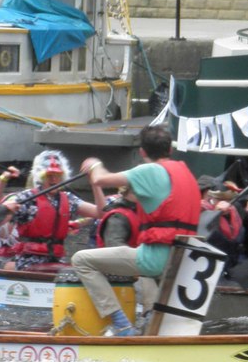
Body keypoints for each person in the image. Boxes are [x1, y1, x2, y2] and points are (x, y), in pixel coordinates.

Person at [70, 125, 201, 336]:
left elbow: (100, 180)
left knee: (80, 260)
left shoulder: (147, 171)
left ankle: (121, 325)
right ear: (170, 149)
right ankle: (151, 323)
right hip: (183, 258)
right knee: (144, 269)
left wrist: (95, 164)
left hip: (156, 259)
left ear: (142, 152)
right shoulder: (187, 175)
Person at [1, 151, 99, 272]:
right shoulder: (26, 198)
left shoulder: (69, 199)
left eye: (57, 175)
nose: (53, 179)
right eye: (49, 175)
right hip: (28, 259)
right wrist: (6, 211)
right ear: (40, 177)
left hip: (56, 258)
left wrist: (96, 183)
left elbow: (99, 212)